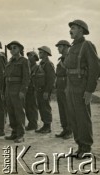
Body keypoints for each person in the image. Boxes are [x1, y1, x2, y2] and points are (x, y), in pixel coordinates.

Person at [64, 19, 99, 159]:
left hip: (81, 86)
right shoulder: (72, 47)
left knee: (82, 117)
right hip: (70, 86)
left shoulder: (87, 45)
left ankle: (86, 147)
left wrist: (89, 90)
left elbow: (95, 68)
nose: (70, 30)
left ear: (81, 30)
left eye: (73, 27)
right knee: (73, 116)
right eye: (70, 27)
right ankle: (80, 146)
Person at [4, 41, 30, 143]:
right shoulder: (10, 62)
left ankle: (21, 134)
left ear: (19, 49)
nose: (12, 50)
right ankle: (14, 132)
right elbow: (6, 76)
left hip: (17, 88)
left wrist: (23, 90)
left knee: (19, 112)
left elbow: (26, 77)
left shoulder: (23, 61)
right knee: (11, 112)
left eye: (15, 48)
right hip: (9, 89)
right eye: (11, 48)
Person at [34, 46, 56, 134]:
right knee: (41, 107)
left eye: (41, 53)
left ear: (46, 54)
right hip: (39, 89)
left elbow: (51, 79)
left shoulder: (48, 64)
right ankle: (45, 125)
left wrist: (47, 91)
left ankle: (47, 126)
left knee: (45, 107)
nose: (39, 54)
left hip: (44, 90)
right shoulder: (41, 64)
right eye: (39, 52)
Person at [55, 40, 72, 139]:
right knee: (62, 109)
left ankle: (70, 131)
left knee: (68, 110)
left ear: (66, 47)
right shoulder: (61, 59)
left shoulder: (70, 58)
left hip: (66, 86)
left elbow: (70, 74)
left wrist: (67, 87)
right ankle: (65, 129)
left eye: (60, 47)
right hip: (60, 87)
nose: (58, 48)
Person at [25, 51, 39, 131]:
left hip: (33, 89)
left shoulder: (37, 67)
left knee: (32, 107)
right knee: (27, 107)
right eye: (28, 56)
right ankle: (31, 123)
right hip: (28, 89)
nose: (29, 57)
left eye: (31, 56)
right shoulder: (28, 67)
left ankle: (34, 124)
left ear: (35, 58)